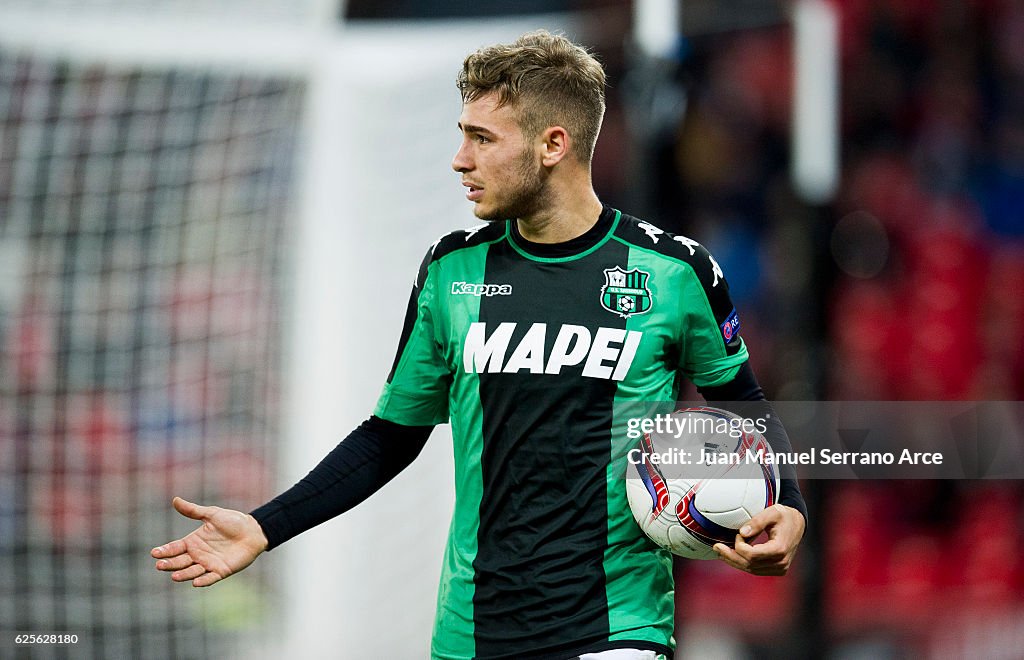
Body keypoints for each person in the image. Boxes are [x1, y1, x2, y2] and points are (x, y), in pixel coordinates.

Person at [152, 30, 807, 660]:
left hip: (618, 625)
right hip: (471, 631)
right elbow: (390, 435)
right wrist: (268, 526)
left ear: (553, 144)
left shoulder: (674, 272)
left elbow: (741, 402)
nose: (459, 159)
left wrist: (790, 507)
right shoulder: (450, 272)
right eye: (462, 135)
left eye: (482, 138)